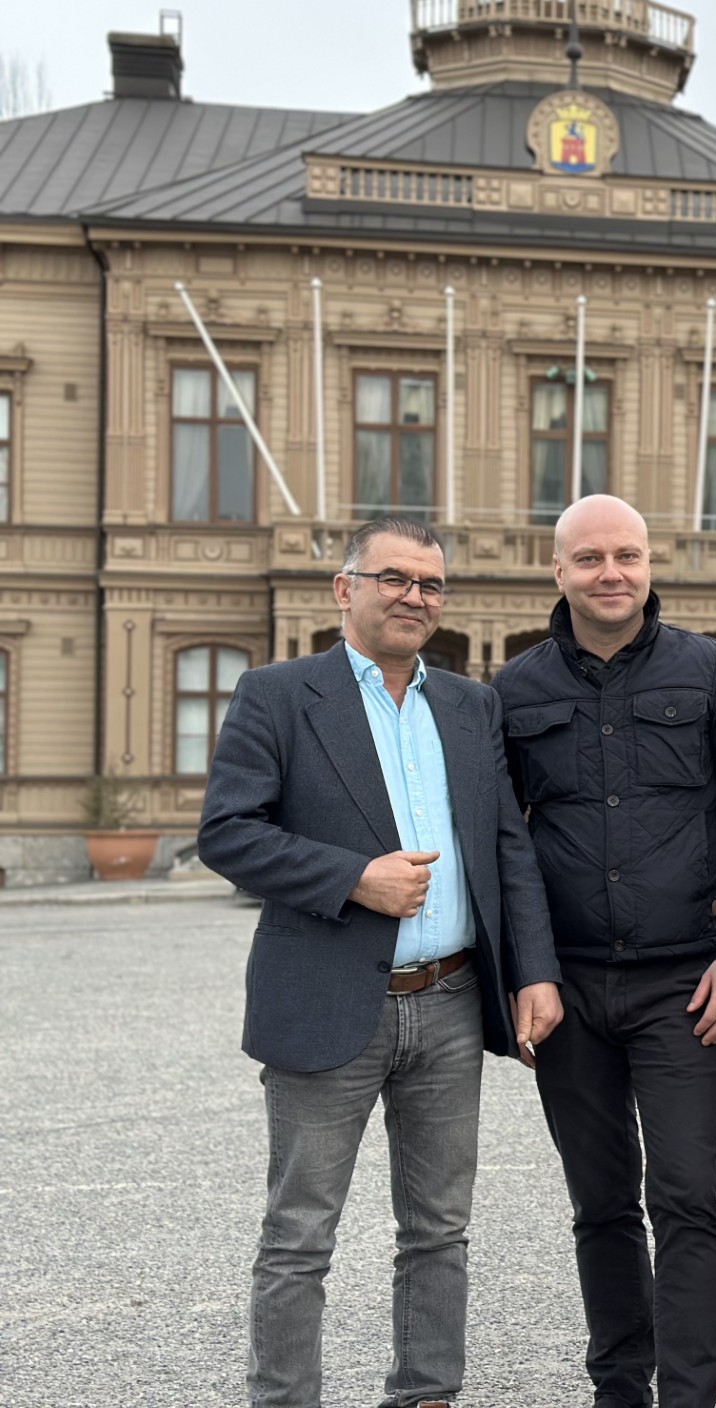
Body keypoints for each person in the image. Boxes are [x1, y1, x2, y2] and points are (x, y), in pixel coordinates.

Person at [199, 516, 564, 1408]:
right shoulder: (278, 695)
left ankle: (426, 1393)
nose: (414, 597)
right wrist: (353, 878)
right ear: (346, 588)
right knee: (299, 1236)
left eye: (430, 584)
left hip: (451, 1000)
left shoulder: (470, 705)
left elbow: (507, 845)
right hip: (326, 999)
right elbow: (228, 832)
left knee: (439, 1229)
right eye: (394, 578)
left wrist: (534, 970)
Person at [491, 494, 716, 1408]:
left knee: (688, 1198)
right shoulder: (513, 690)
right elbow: (501, 840)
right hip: (568, 989)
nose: (610, 573)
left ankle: (690, 1396)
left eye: (626, 555)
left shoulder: (714, 672)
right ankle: (619, 1388)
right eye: (589, 558)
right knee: (602, 1202)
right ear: (559, 571)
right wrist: (529, 970)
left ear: (650, 564)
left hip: (684, 984)